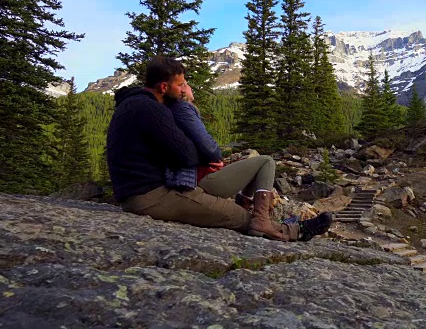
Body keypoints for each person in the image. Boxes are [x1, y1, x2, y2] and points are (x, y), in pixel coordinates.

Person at [107, 56, 331, 241]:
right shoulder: (151, 109)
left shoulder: (133, 104)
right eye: (180, 85)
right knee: (240, 217)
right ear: (164, 87)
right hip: (151, 196)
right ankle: (296, 231)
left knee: (237, 213)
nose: (184, 89)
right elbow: (186, 155)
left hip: (141, 192)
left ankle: (287, 226)